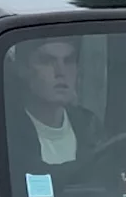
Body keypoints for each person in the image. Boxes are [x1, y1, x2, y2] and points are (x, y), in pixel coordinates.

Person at [6, 36, 104, 179]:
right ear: (23, 69)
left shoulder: (90, 126)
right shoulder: (6, 132)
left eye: (68, 61)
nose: (61, 72)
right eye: (47, 61)